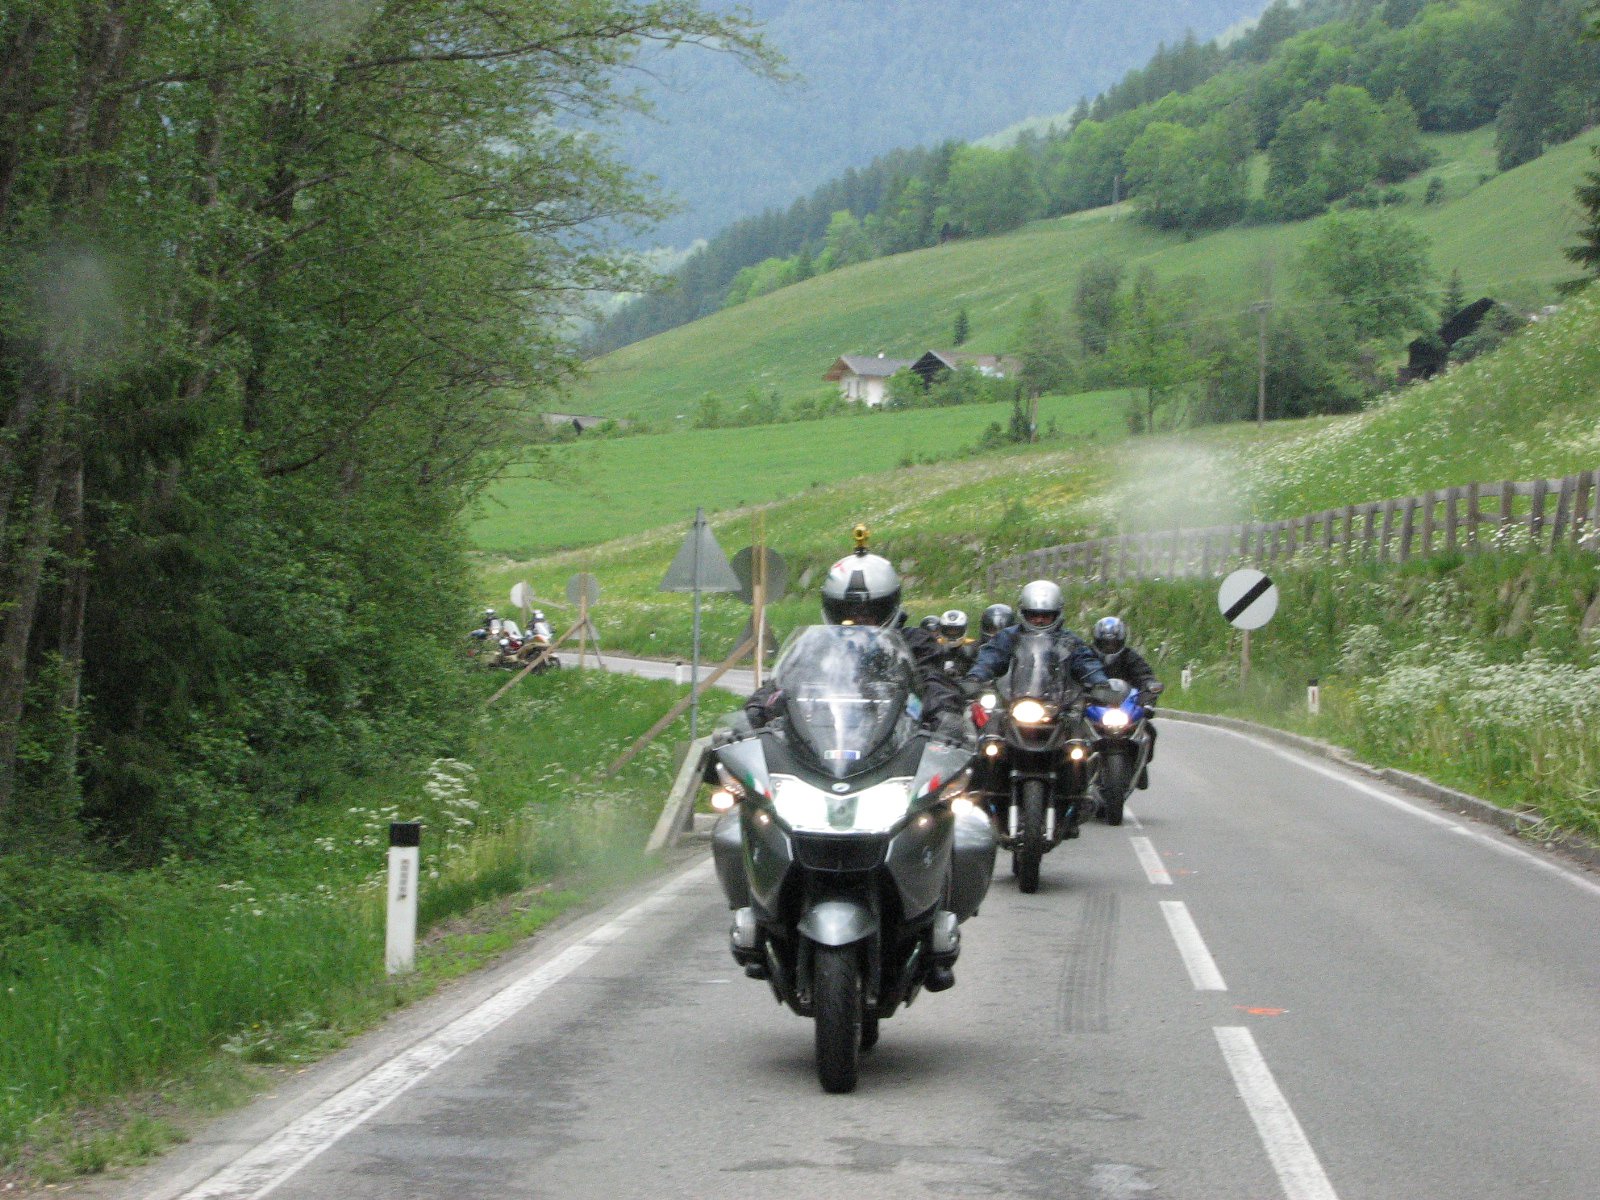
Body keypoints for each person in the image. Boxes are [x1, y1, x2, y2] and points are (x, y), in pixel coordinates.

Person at [741, 532, 966, 741]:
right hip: (821, 741)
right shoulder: (816, 646)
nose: (858, 621)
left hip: (895, 742)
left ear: (890, 607)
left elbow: (934, 681)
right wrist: (754, 712)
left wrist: (945, 714)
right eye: (847, 612)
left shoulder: (914, 643)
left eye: (870, 613)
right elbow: (782, 682)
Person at [964, 580, 1110, 836]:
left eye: (1046, 615)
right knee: (987, 744)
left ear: (1057, 614)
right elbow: (991, 657)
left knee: (1078, 748)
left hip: (1056, 709)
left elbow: (1086, 662)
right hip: (1015, 706)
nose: (1040, 620)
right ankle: (979, 797)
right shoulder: (1009, 637)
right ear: (1023, 613)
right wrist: (976, 677)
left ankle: (1077, 801)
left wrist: (1099, 683)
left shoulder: (1069, 641)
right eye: (1034, 615)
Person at [1091, 615, 1163, 775]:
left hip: (1124, 705)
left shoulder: (1130, 657)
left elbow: (1145, 677)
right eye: (1105, 643)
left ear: (1121, 641)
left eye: (1113, 643)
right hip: (1093, 705)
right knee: (1071, 736)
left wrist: (1148, 699)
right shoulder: (1087, 656)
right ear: (1097, 641)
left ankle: (1140, 766)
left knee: (1149, 731)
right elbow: (1073, 675)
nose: (1109, 647)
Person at [937, 609, 977, 677]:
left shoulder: (973, 645)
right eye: (949, 630)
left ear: (964, 629)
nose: (952, 633)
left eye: (956, 630)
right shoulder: (935, 644)